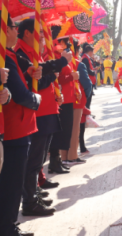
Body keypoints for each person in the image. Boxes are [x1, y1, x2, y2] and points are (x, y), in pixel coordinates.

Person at [14, 19, 71, 217]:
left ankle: (34, 193)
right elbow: (34, 80)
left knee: (37, 160)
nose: (41, 35)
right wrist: (55, 71)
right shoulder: (19, 53)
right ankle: (29, 202)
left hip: (46, 109)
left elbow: (43, 75)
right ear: (27, 33)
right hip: (36, 112)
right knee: (33, 161)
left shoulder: (33, 51)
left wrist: (52, 77)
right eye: (38, 31)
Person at [0, 15, 41, 236]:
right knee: (12, 184)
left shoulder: (8, 55)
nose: (16, 32)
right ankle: (7, 227)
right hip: (14, 128)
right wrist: (37, 99)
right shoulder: (4, 56)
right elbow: (21, 95)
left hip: (16, 126)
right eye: (13, 27)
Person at [48, 34, 81, 174]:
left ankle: (58, 162)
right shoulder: (54, 56)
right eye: (65, 41)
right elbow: (57, 79)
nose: (67, 44)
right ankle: (54, 162)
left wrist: (76, 88)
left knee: (66, 131)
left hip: (68, 98)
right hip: (61, 99)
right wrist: (71, 77)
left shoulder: (67, 56)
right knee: (59, 132)